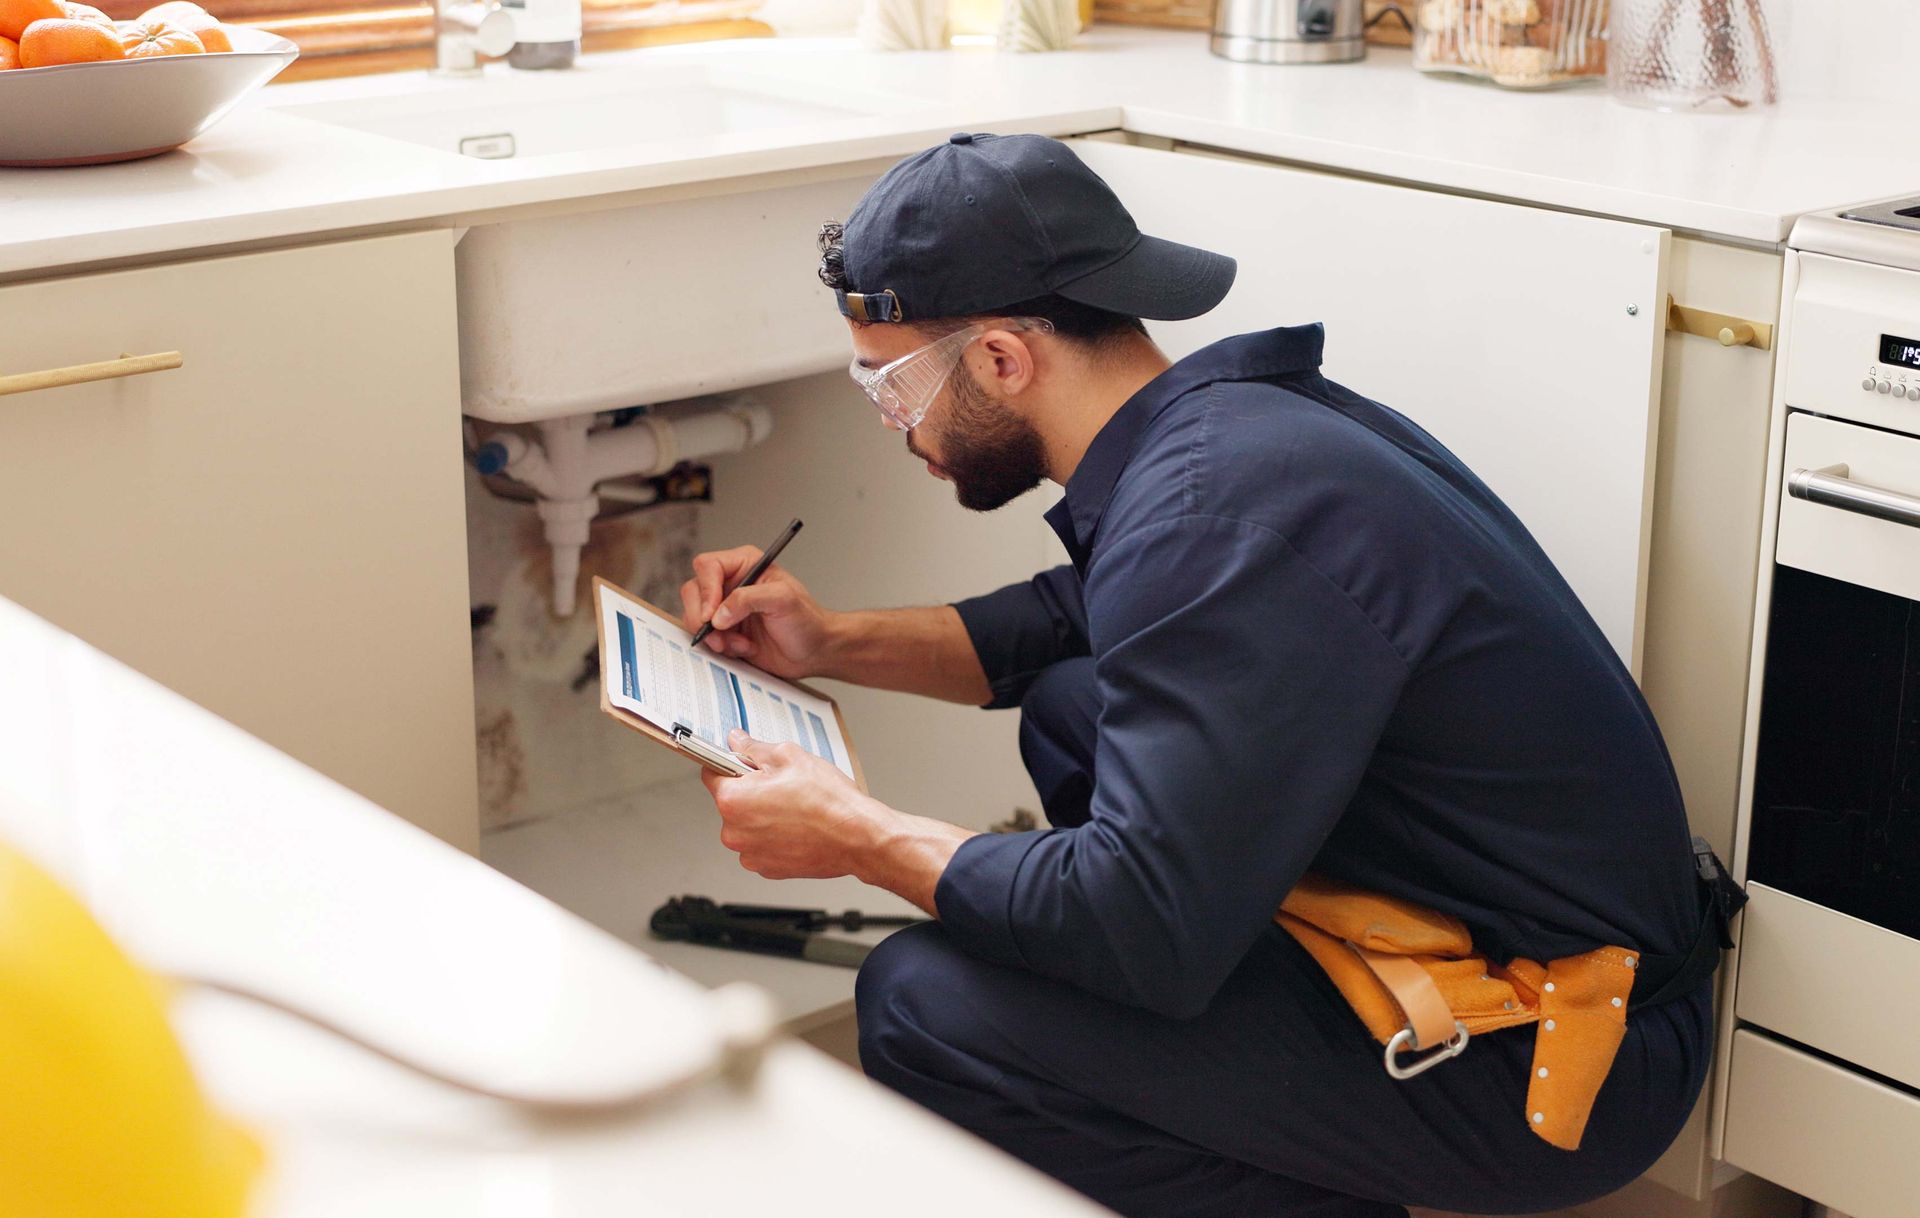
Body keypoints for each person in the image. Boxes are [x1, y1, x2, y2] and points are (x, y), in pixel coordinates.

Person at [678, 133, 1713, 1218]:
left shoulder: (1210, 513)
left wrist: (858, 835)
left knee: (922, 1002)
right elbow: (1066, 628)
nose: (893, 424)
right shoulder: (1229, 436)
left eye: (889, 385)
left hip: (1556, 1051)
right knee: (1078, 706)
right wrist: (829, 640)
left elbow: (1139, 927)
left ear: (997, 359)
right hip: (1501, 941)